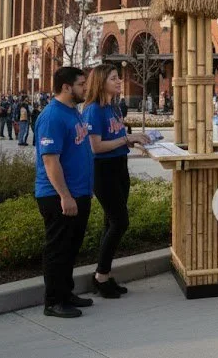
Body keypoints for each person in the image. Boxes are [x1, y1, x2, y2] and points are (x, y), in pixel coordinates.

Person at [83, 65, 150, 299]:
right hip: (104, 170)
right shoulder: (93, 110)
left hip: (120, 166)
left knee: (110, 222)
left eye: (118, 77)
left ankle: (105, 274)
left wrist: (134, 141)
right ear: (101, 82)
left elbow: (117, 138)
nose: (119, 81)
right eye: (113, 78)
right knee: (120, 222)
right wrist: (126, 138)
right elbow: (96, 146)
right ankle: (100, 276)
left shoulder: (113, 108)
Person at [35, 67, 95, 318]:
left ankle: (66, 293)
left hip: (79, 193)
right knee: (58, 249)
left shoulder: (74, 112)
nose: (85, 88)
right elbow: (50, 161)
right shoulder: (52, 116)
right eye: (81, 84)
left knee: (71, 248)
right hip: (58, 196)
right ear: (66, 87)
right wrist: (65, 196)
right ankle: (53, 301)